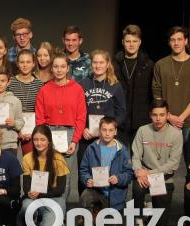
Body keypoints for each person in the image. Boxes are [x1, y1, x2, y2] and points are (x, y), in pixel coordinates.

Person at [35, 52, 86, 202]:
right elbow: (40, 117)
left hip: (69, 134)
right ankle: (45, 210)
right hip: (49, 132)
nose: (59, 70)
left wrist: (75, 141)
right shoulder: (44, 89)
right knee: (47, 172)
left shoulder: (77, 89)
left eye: (62, 66)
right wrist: (44, 139)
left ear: (68, 68)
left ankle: (60, 214)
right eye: (56, 66)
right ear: (51, 68)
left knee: (65, 175)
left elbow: (81, 118)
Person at [129, 100, 182, 226]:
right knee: (137, 189)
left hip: (164, 179)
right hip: (143, 176)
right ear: (150, 115)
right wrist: (139, 171)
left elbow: (173, 165)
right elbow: (135, 156)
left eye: (162, 115)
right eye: (155, 115)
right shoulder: (142, 130)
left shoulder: (176, 134)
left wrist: (149, 173)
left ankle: (152, 207)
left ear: (168, 115)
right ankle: (138, 223)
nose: (158, 119)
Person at [78, 117, 133, 226]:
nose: (107, 133)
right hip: (97, 191)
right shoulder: (91, 148)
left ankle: (101, 213)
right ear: (99, 131)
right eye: (104, 130)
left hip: (115, 195)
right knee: (85, 196)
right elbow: (83, 170)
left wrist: (118, 178)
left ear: (116, 132)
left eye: (110, 130)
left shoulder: (122, 150)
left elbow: (129, 173)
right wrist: (87, 180)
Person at [17, 125, 70, 226]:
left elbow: (60, 189)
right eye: (35, 140)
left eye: (42, 140)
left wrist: (39, 194)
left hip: (54, 199)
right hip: (35, 199)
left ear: (49, 141)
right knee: (25, 206)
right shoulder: (27, 158)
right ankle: (38, 220)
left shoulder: (58, 159)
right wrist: (31, 193)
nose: (38, 143)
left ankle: (53, 221)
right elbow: (26, 187)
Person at [153, 26, 190, 140]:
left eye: (179, 39)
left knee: (188, 156)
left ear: (186, 41)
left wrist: (181, 118)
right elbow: (157, 94)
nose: (176, 43)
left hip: (189, 122)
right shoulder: (160, 64)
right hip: (165, 121)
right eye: (173, 40)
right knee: (165, 157)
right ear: (169, 42)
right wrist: (169, 117)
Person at [78, 50, 127, 168]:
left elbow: (121, 112)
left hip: (107, 137)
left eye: (101, 62)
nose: (98, 66)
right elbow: (78, 111)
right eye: (95, 62)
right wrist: (83, 129)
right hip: (87, 137)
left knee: (107, 172)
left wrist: (110, 129)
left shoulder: (115, 84)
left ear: (107, 64)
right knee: (86, 173)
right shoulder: (83, 84)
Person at [114, 25, 154, 145]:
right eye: (128, 41)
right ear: (123, 42)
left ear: (140, 42)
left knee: (139, 160)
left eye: (134, 41)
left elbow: (152, 93)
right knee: (120, 159)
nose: (131, 44)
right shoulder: (114, 64)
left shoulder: (149, 65)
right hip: (119, 121)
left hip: (141, 121)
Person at [8, 49, 44, 154]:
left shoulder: (39, 84)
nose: (25, 65)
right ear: (17, 64)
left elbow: (41, 110)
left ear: (33, 64)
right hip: (12, 129)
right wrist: (17, 129)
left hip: (32, 131)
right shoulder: (10, 82)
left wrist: (33, 131)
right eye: (22, 62)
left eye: (28, 62)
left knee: (31, 163)